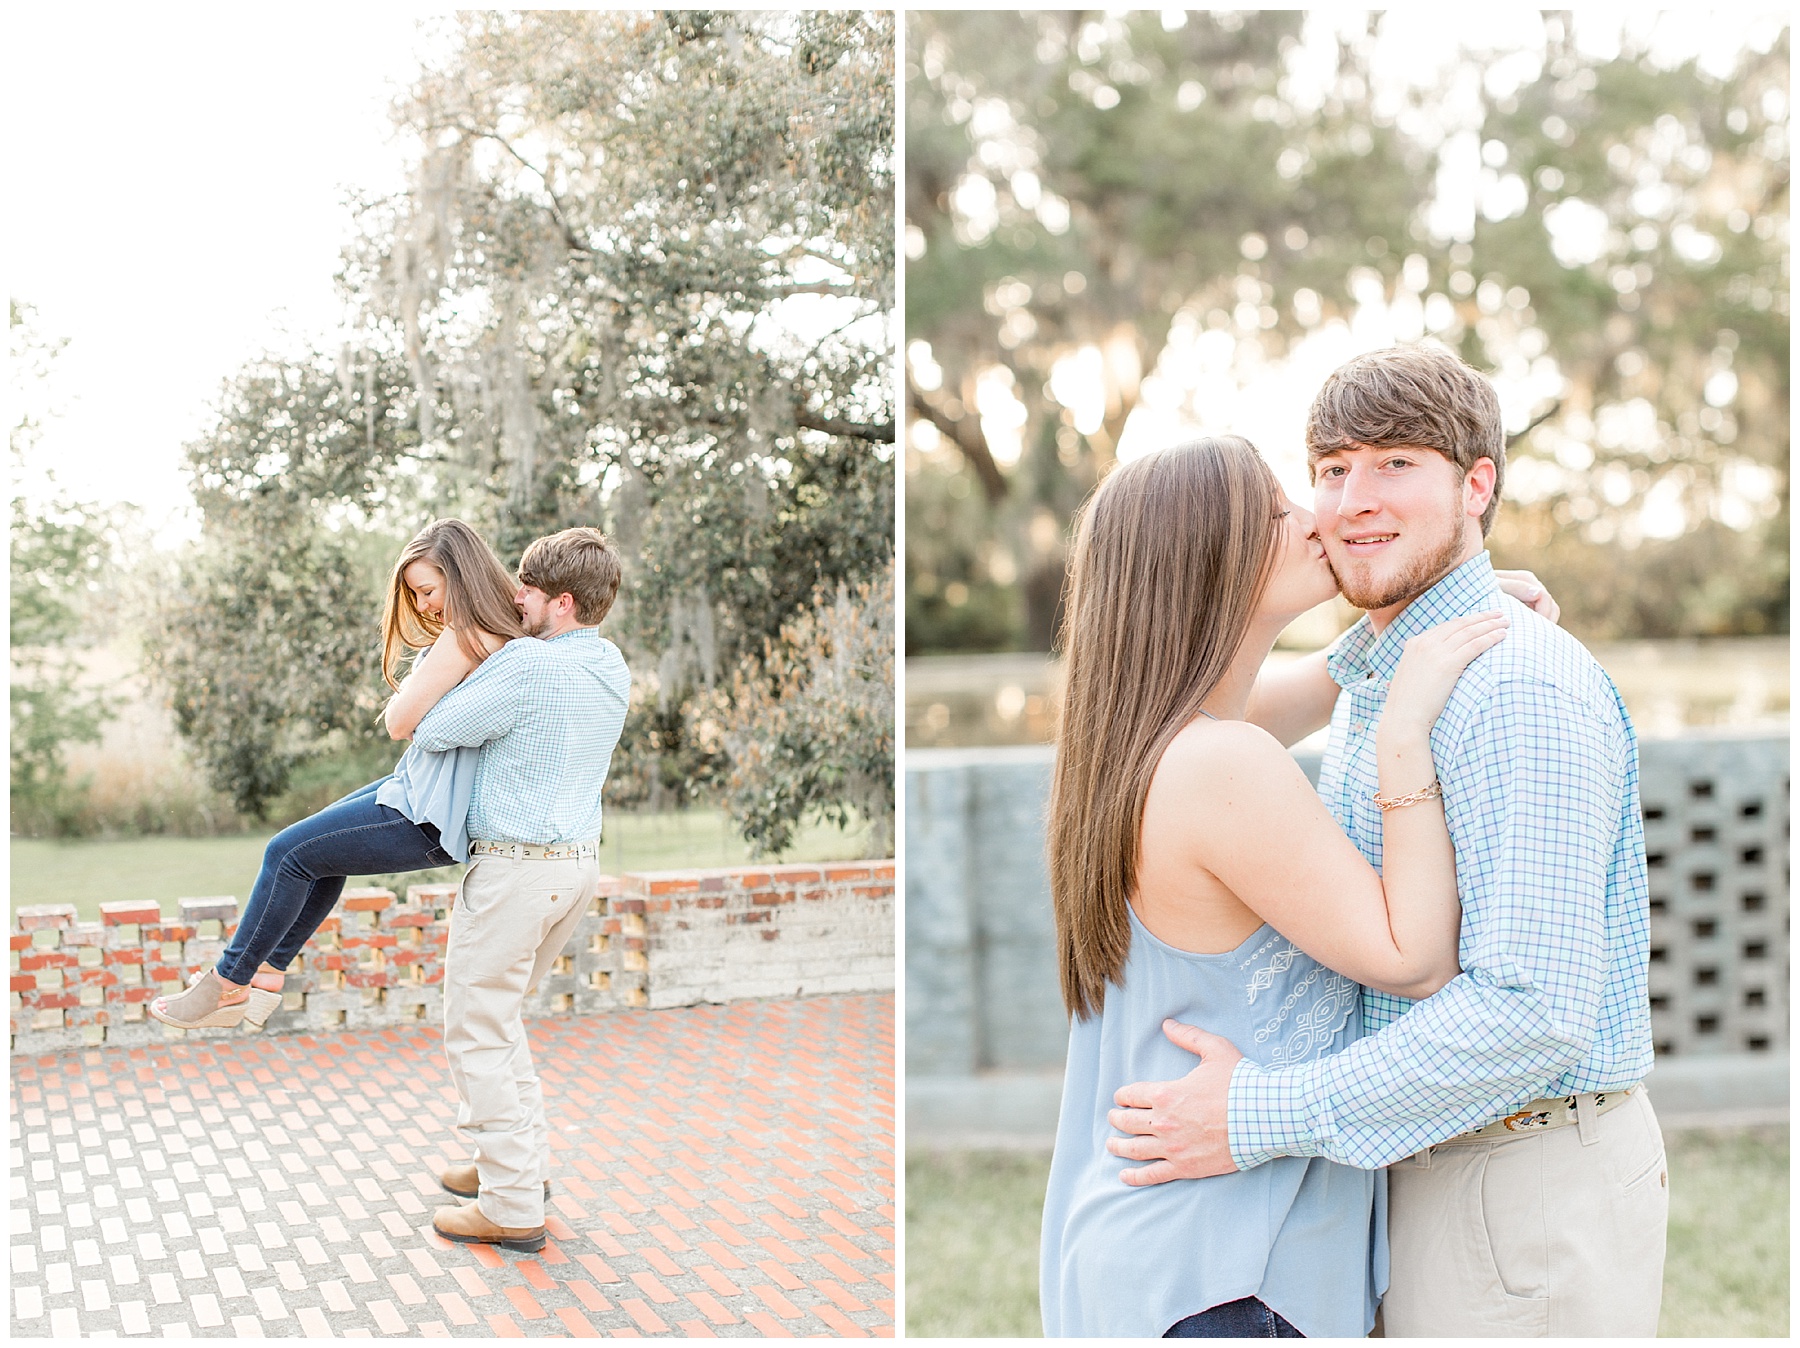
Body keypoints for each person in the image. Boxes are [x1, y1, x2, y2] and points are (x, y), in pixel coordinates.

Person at [1106, 345, 1665, 1337]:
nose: (1354, 499)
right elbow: (1158, 722)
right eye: (1331, 469)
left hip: (1514, 1180)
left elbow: (1531, 1013)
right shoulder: (1384, 675)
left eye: (1396, 463)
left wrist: (1253, 1114)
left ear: (1476, 484)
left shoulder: (1515, 688)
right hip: (1411, 1163)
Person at [1039, 432, 1513, 1338]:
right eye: (1275, 512)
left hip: (1160, 1255)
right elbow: (1411, 957)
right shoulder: (1223, 764)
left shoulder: (1142, 742)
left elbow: (1323, 680)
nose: (1317, 516)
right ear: (1203, 566)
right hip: (1225, 1272)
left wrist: (1451, 612)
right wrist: (1405, 728)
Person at [148, 518, 529, 1031]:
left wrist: (422, 688)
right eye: (415, 595)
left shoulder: (465, 636)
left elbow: (398, 721)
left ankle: (229, 981)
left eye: (427, 590)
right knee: (317, 854)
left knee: (286, 853)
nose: (423, 607)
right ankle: (267, 975)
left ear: (461, 576)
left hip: (429, 812)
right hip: (421, 789)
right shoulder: (509, 627)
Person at [412, 526, 630, 1254]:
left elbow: (431, 729)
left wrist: (465, 665)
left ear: (560, 603)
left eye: (527, 592)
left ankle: (510, 1206)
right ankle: (514, 1170)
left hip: (516, 866)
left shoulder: (531, 665)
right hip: (575, 869)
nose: (514, 599)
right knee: (500, 1022)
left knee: (475, 1027)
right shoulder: (611, 666)